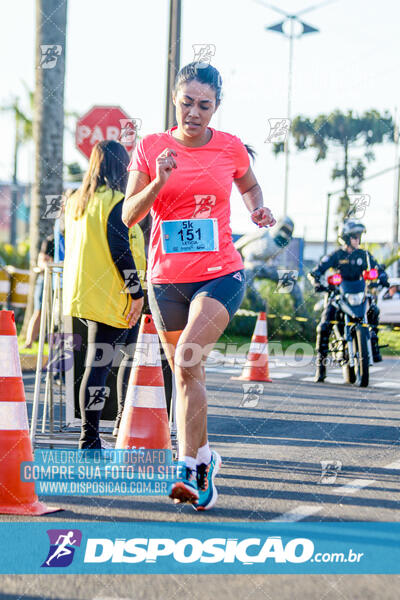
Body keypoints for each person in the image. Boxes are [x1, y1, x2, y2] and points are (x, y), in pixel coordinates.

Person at [122, 62, 276, 510]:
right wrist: (160, 182)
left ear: (217, 107)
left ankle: (189, 469)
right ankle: (206, 457)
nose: (194, 112)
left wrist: (258, 210)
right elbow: (130, 214)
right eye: (187, 102)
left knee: (188, 357)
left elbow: (249, 185)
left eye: (204, 105)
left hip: (220, 273)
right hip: (167, 279)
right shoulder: (151, 147)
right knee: (188, 371)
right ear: (175, 99)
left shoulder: (229, 148)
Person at [63, 140, 144, 449]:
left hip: (83, 294)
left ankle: (100, 432)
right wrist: (136, 292)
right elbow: (121, 251)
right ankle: (93, 436)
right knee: (114, 360)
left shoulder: (76, 200)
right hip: (112, 295)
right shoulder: (116, 201)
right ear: (121, 166)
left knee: (103, 362)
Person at [308, 220, 389, 382]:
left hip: (359, 295)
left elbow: (379, 269)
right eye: (354, 236)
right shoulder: (336, 255)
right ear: (345, 238)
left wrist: (382, 278)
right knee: (324, 326)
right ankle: (321, 368)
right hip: (340, 297)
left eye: (359, 236)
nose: (358, 239)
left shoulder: (364, 255)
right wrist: (318, 283)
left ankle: (373, 344)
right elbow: (315, 272)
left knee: (374, 311)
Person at [23, 233, 58, 349]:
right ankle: (29, 342)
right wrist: (51, 264)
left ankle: (55, 346)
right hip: (45, 279)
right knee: (39, 311)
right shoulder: (50, 240)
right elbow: (42, 261)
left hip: (59, 280)